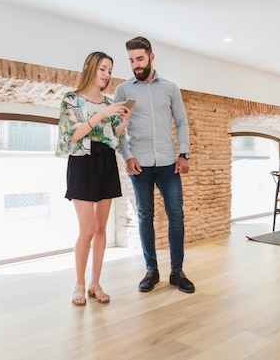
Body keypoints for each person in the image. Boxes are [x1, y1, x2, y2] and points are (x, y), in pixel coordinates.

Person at [114, 36, 195, 294]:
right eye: (131, 60)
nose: (135, 65)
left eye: (139, 58)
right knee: (145, 216)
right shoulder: (123, 90)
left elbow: (181, 122)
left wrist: (184, 154)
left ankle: (177, 272)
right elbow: (116, 129)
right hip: (140, 165)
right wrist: (127, 155)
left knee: (177, 216)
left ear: (151, 56)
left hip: (169, 163)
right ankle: (151, 270)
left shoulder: (170, 88)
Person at [56, 51, 131, 306]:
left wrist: (123, 123)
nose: (106, 75)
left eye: (109, 70)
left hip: (106, 161)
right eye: (103, 69)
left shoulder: (109, 102)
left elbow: (112, 139)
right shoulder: (72, 99)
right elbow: (73, 135)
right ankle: (78, 283)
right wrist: (101, 114)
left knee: (101, 229)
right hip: (82, 163)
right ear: (90, 67)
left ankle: (95, 283)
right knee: (87, 230)